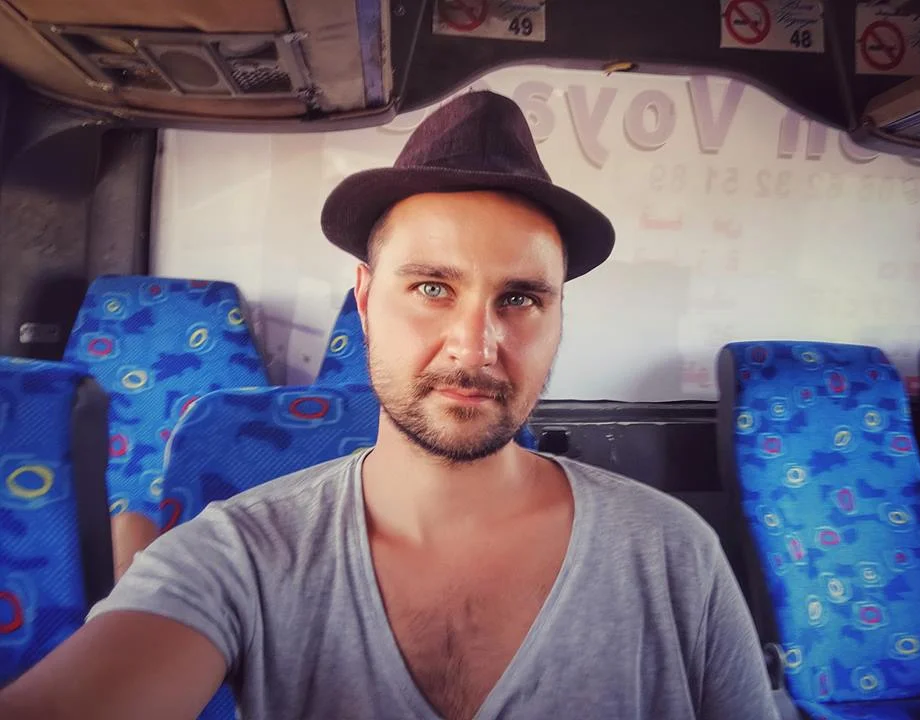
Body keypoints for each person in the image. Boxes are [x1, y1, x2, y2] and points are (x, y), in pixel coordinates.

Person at [0, 91, 778, 720]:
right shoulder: (237, 554)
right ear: (367, 302)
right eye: (433, 287)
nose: (474, 346)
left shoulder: (675, 554)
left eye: (519, 298)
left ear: (557, 319)